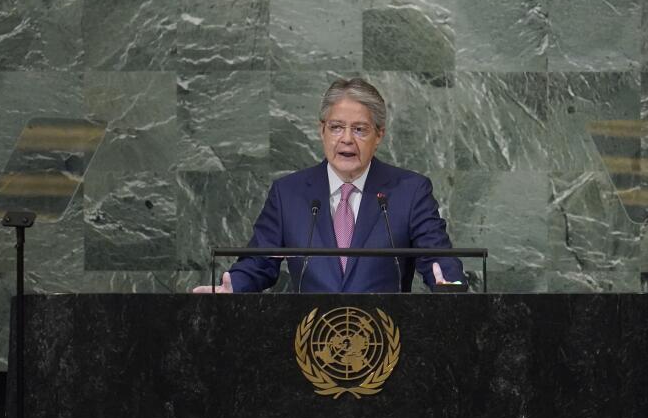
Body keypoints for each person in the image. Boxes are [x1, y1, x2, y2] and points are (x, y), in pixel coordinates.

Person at [192, 77, 463, 293]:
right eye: (336, 127)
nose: (346, 139)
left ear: (379, 135)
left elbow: (438, 257)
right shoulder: (288, 194)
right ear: (321, 130)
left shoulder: (410, 191)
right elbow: (258, 263)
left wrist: (450, 284)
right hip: (310, 343)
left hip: (384, 343)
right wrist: (233, 287)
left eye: (359, 129)